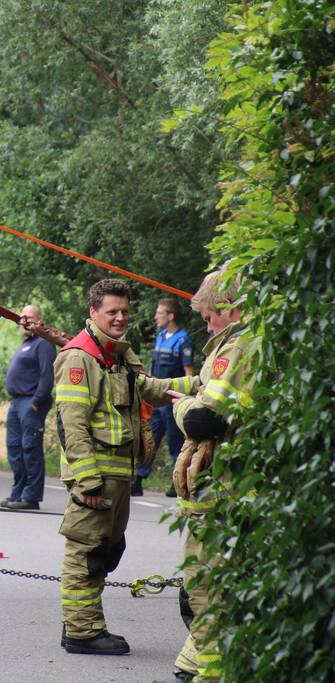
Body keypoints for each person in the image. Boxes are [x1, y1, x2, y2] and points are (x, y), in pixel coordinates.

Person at [55, 279, 196, 656]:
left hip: (119, 476)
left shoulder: (119, 354)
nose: (120, 318)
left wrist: (203, 384)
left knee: (105, 551)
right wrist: (88, 482)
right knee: (85, 551)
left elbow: (152, 388)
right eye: (112, 312)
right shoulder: (79, 357)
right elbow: (73, 425)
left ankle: (82, 624)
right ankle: (82, 633)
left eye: (124, 312)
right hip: (96, 479)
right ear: (93, 313)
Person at [164, 269, 254, 683]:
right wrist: (151, 386)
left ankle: (210, 674)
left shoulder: (238, 347)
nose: (206, 324)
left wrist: (181, 407)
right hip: (223, 491)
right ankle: (192, 666)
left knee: (207, 591)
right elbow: (202, 385)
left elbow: (204, 419)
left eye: (208, 317)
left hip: (227, 492)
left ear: (229, 308)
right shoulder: (234, 344)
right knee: (201, 589)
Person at [133, 298, 195, 496]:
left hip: (171, 399)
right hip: (154, 399)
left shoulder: (183, 339)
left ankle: (177, 483)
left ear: (170, 316)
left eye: (159, 313)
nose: (155, 317)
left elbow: (189, 372)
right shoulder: (160, 336)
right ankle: (138, 480)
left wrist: (185, 400)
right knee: (149, 439)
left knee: (176, 442)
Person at [0, 304, 57, 510]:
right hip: (16, 403)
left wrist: (36, 402)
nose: (25, 321)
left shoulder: (43, 343)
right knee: (15, 448)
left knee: (30, 449)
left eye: (30, 317)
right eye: (22, 317)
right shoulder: (26, 343)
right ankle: (18, 492)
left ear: (39, 320)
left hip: (30, 402)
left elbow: (46, 375)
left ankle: (30, 496)